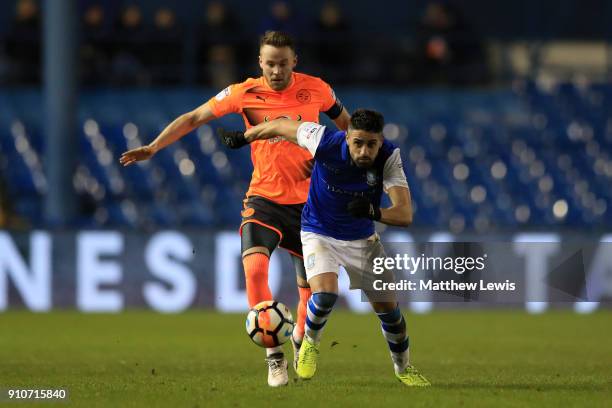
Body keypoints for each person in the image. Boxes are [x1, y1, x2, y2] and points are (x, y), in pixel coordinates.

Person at [119, 31, 350, 387]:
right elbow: (195, 117)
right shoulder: (244, 92)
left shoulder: (316, 88)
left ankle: (302, 339)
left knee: (312, 292)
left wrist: (347, 162)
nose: (276, 70)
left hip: (311, 206)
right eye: (270, 63)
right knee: (256, 270)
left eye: (283, 63)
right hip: (264, 200)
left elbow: (346, 126)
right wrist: (153, 146)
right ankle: (274, 358)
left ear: (294, 62)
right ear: (260, 62)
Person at [219, 109, 431, 386]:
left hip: (362, 240)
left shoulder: (389, 158)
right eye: (358, 143)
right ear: (347, 136)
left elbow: (404, 214)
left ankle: (403, 368)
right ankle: (309, 343)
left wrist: (373, 212)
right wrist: (245, 137)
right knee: (326, 293)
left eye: (371, 144)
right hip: (319, 232)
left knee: (391, 314)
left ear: (381, 141)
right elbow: (282, 126)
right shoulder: (323, 140)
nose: (364, 150)